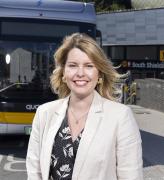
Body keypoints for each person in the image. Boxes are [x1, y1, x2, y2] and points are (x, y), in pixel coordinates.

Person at [26, 33, 143, 180]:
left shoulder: (121, 116)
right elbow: (34, 171)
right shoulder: (44, 113)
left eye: (89, 66)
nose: (80, 73)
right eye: (73, 65)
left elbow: (131, 175)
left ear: (99, 73)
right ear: (63, 72)